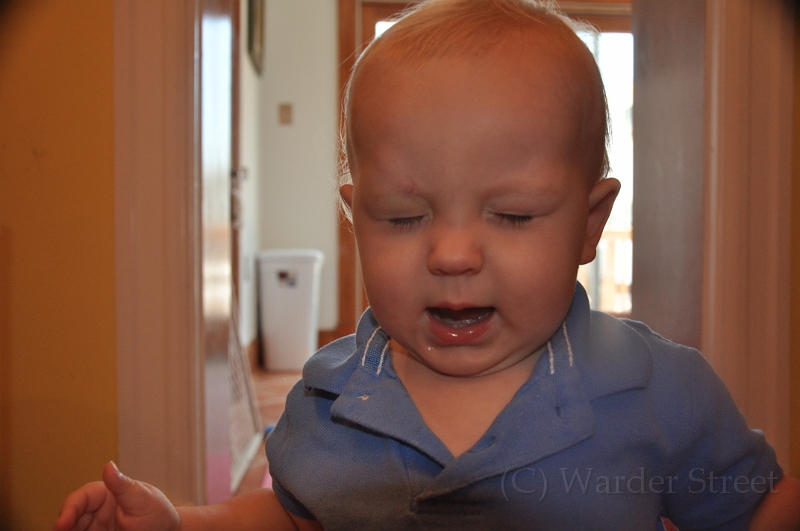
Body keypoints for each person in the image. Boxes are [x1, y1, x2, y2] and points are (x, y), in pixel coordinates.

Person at [54, 1, 800, 530]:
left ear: (589, 223)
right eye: (403, 217)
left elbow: (758, 507)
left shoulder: (661, 391)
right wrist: (182, 521)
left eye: (512, 215)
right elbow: (291, 514)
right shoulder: (330, 395)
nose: (451, 254)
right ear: (355, 217)